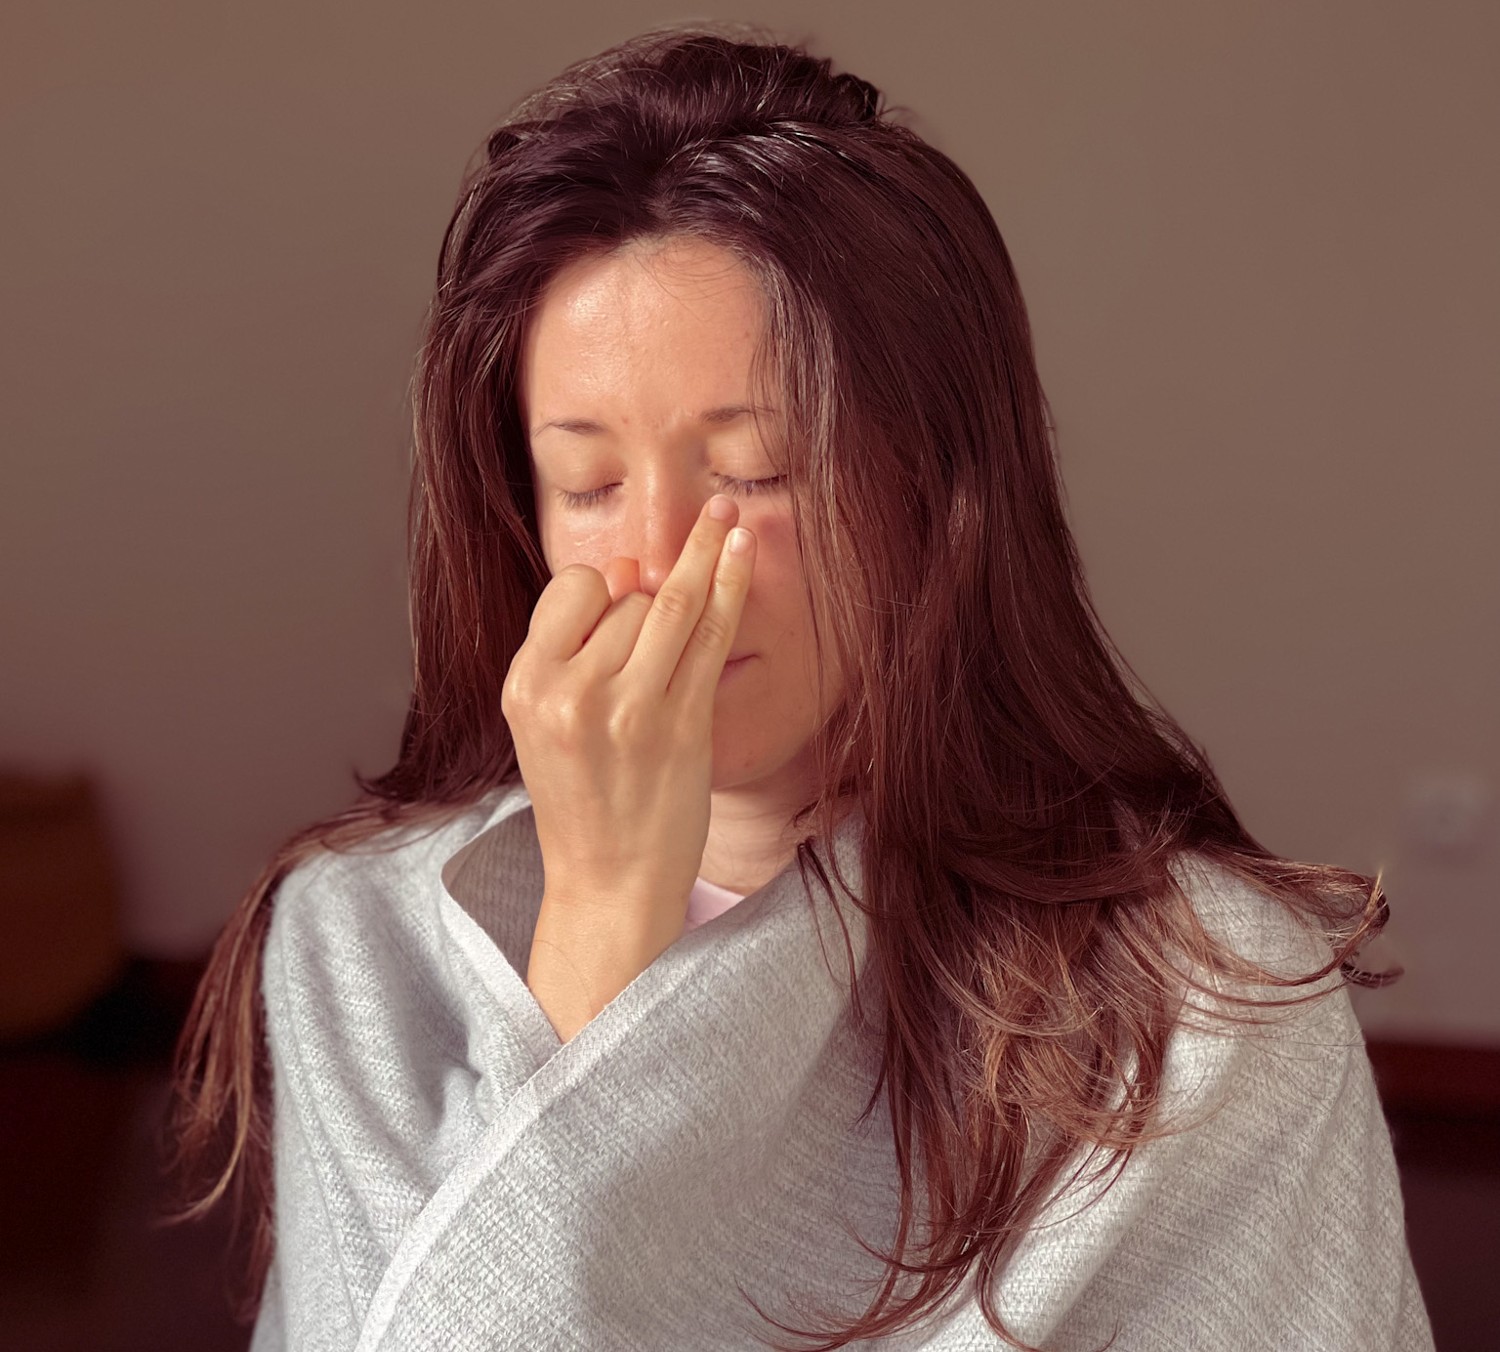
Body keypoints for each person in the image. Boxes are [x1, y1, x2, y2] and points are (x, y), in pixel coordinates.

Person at [171, 21, 1433, 1351]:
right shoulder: (362, 942)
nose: (655, 563)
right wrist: (598, 926)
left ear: (935, 491)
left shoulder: (1203, 1004)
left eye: (753, 469)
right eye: (589, 485)